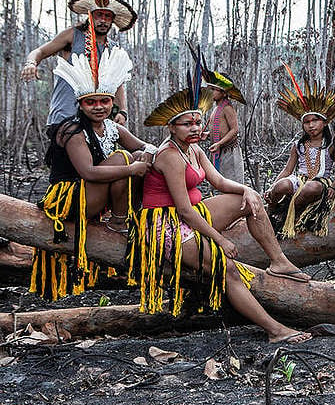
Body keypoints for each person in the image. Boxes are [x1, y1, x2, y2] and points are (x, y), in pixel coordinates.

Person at [126, 68, 312, 343]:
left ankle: (279, 262)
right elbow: (183, 211)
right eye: (187, 124)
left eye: (198, 123)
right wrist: (219, 240)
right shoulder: (168, 155)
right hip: (165, 224)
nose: (195, 129)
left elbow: (221, 181)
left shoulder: (194, 149)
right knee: (228, 268)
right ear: (171, 127)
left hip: (194, 212)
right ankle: (275, 330)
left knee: (252, 201)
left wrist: (247, 189)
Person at [32, 41, 155, 300]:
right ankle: (119, 223)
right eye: (91, 102)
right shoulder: (71, 130)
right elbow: (88, 172)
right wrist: (133, 168)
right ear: (81, 103)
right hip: (68, 199)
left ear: (112, 102)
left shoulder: (112, 127)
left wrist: (148, 153)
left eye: (104, 101)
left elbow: (145, 145)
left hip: (91, 195)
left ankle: (125, 219)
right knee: (123, 158)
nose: (98, 107)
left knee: (131, 155)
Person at [21, 0, 137, 132]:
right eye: (99, 15)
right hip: (65, 115)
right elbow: (40, 51)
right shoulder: (73, 35)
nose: (103, 20)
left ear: (112, 20)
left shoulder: (113, 49)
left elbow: (118, 82)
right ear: (90, 16)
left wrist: (123, 111)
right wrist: (31, 63)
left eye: (107, 16)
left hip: (96, 119)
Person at [265, 65, 335, 238]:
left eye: (315, 120)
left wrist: (333, 186)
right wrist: (273, 186)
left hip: (320, 182)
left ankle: (289, 215)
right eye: (307, 122)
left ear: (324, 122)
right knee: (282, 185)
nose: (311, 125)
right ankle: (270, 212)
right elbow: (288, 170)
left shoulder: (331, 144)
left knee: (311, 187)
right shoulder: (298, 145)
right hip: (300, 179)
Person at [191, 45, 247, 185]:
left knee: (232, 181)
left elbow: (234, 130)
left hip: (230, 152)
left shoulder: (227, 108)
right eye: (210, 89)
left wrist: (219, 143)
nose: (211, 93)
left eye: (214, 90)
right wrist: (208, 135)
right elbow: (220, 128)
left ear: (224, 92)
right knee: (220, 182)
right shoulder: (216, 108)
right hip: (219, 150)